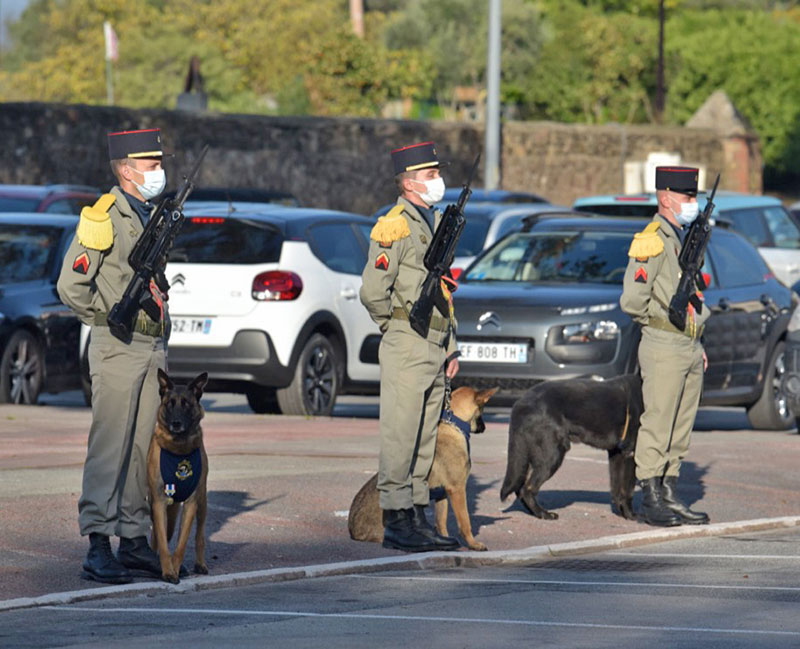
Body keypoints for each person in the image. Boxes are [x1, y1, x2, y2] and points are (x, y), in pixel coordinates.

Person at [57, 128, 172, 583]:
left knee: (144, 445)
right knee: (111, 446)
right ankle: (99, 542)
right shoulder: (103, 216)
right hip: (117, 344)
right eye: (151, 166)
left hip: (151, 345)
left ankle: (134, 537)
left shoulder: (151, 215)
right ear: (126, 171)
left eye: (159, 165)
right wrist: (108, 317)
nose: (158, 173)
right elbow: (71, 286)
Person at [360, 141, 461, 552]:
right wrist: (396, 327)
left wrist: (450, 346)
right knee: (401, 434)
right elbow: (372, 291)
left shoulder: (433, 222)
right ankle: (397, 517)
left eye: (438, 173)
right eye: (432, 174)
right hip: (407, 339)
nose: (439, 180)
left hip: (435, 342)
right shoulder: (395, 226)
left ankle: (416, 511)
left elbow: (442, 291)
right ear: (409, 182)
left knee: (422, 435)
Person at [620, 165, 711, 527]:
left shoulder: (680, 240)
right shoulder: (652, 240)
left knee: (681, 425)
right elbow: (632, 300)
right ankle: (651, 496)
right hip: (663, 344)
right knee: (658, 422)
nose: (693, 203)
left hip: (686, 344)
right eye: (688, 196)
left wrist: (694, 339)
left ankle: (670, 491)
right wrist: (657, 325)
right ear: (666, 197)